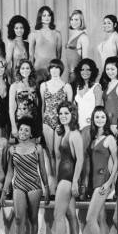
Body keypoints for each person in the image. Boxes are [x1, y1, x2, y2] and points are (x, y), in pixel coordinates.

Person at [3, 117, 49, 234]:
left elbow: (42, 170)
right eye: (21, 129)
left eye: (26, 130)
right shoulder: (12, 149)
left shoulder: (38, 148)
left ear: (31, 134)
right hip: (19, 185)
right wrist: (4, 190)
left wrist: (47, 188)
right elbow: (10, 172)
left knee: (33, 218)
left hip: (34, 185)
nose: (22, 132)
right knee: (18, 218)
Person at [46, 102, 84, 234]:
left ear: (73, 114)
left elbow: (80, 159)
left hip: (68, 177)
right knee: (69, 215)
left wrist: (75, 180)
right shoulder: (59, 132)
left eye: (66, 113)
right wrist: (54, 178)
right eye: (60, 113)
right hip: (62, 176)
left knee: (58, 215)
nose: (63, 116)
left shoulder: (75, 134)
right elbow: (57, 157)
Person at [84, 107, 118, 234]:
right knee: (101, 220)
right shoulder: (92, 139)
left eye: (102, 116)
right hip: (94, 181)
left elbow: (116, 163)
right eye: (97, 117)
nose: (99, 119)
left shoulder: (109, 138)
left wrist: (109, 183)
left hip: (103, 182)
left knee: (90, 219)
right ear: (93, 119)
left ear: (106, 119)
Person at [40, 59, 73, 189]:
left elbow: (70, 109)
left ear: (61, 69)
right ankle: (51, 182)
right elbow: (42, 106)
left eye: (57, 68)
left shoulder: (66, 86)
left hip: (61, 121)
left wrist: (67, 126)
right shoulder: (44, 85)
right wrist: (42, 122)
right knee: (49, 153)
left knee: (58, 153)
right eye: (52, 68)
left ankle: (60, 181)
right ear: (49, 70)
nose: (54, 71)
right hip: (47, 121)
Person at [28, 6, 62, 83]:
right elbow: (31, 56)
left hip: (52, 70)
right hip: (38, 69)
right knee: (38, 92)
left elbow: (58, 56)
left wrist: (56, 69)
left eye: (49, 15)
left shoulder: (57, 34)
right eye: (44, 15)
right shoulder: (34, 34)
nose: (47, 17)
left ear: (51, 17)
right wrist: (31, 72)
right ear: (40, 17)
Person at [9, 59, 40, 140]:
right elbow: (11, 109)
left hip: (33, 121)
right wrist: (13, 126)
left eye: (27, 68)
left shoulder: (34, 85)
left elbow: (37, 106)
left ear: (31, 70)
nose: (25, 70)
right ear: (19, 70)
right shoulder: (14, 86)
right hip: (20, 121)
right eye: (22, 68)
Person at [64, 10, 89, 82]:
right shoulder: (73, 34)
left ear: (81, 21)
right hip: (69, 72)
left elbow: (85, 60)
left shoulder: (83, 37)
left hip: (76, 73)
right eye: (72, 19)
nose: (73, 22)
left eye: (76, 19)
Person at [5, 15, 31, 82]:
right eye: (16, 28)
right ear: (13, 29)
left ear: (25, 29)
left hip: (26, 76)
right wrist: (9, 78)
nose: (19, 30)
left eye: (21, 28)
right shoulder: (12, 43)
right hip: (15, 76)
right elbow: (7, 63)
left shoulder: (27, 44)